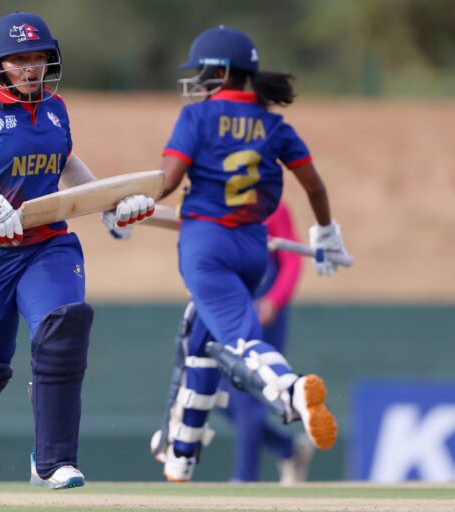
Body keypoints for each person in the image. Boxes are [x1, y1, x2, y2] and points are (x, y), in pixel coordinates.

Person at [0, 12, 155, 496]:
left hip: (45, 244)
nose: (30, 67)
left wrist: (109, 204)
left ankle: (52, 462)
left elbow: (66, 163)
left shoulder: (56, 109)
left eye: (38, 57)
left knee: (63, 327)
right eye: (18, 59)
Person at [151, 25, 349, 482]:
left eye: (203, 71)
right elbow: (314, 185)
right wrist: (326, 232)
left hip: (207, 245)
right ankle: (182, 453)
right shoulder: (274, 125)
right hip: (253, 249)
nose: (197, 79)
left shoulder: (197, 117)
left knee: (239, 342)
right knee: (199, 339)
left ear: (221, 72)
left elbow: (167, 181)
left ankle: (294, 392)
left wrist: (129, 202)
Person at [217, 202, 314, 484]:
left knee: (249, 392)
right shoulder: (216, 201)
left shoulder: (272, 207)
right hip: (230, 312)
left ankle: (244, 478)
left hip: (263, 314)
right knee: (218, 394)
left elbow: (292, 259)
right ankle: (288, 449)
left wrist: (275, 299)